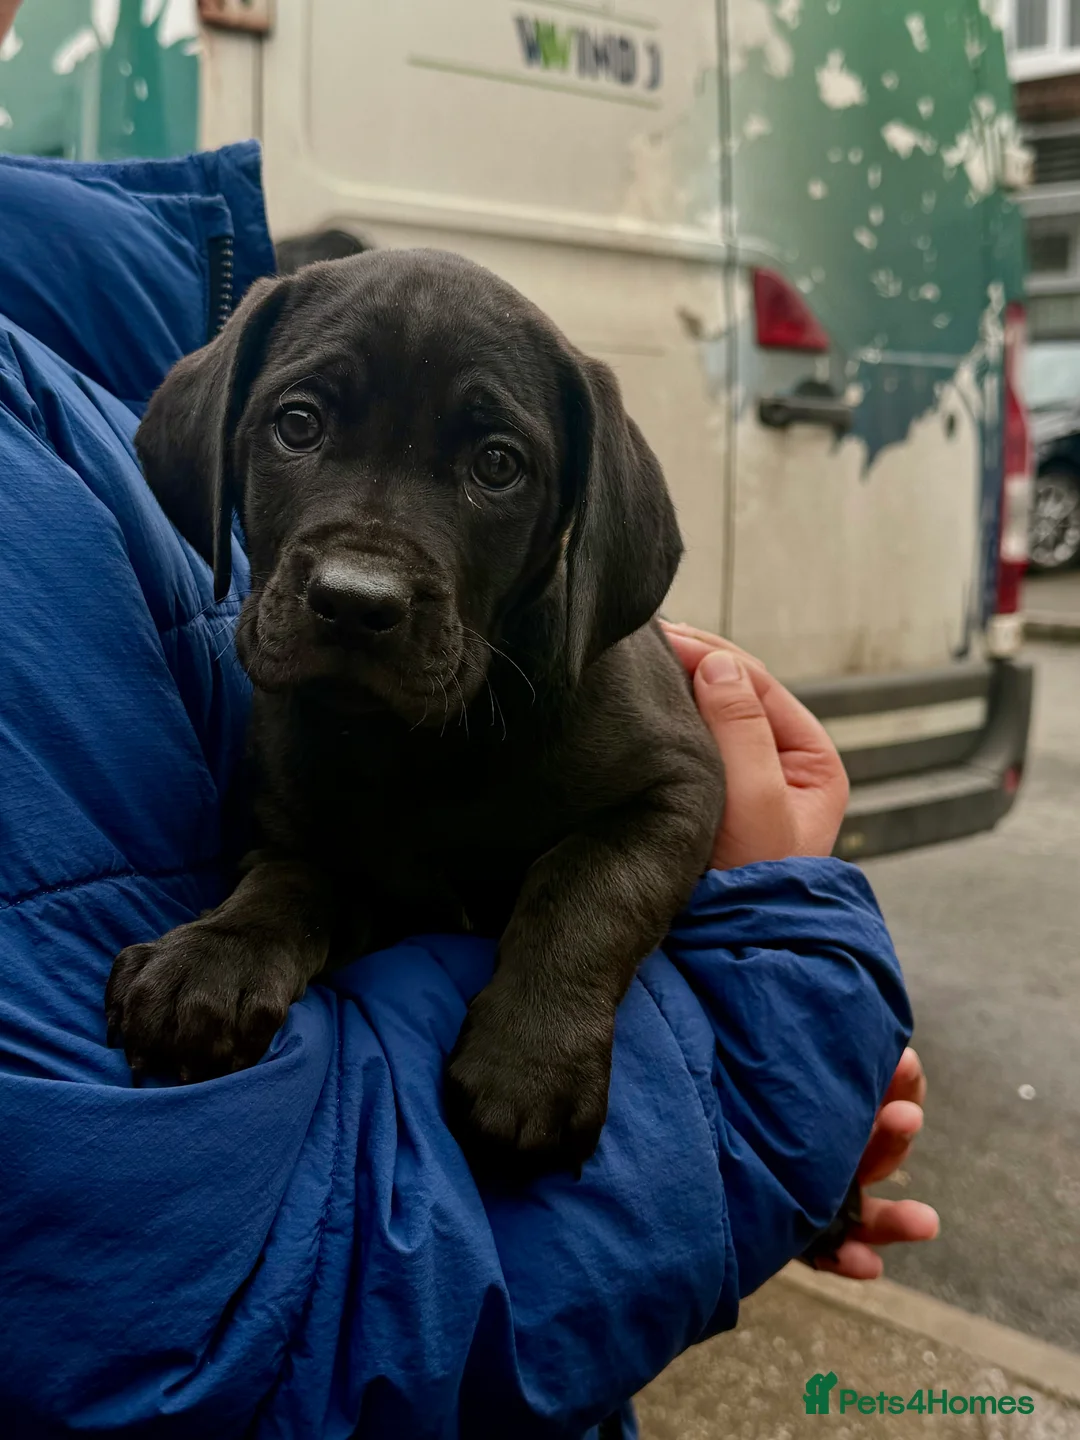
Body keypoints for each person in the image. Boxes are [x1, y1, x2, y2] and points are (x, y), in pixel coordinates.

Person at [0, 5, 935, 1434]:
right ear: (221, 445)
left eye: (491, 465)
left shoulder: (583, 699)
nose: (367, 565)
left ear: (574, 531)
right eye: (303, 428)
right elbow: (318, 861)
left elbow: (671, 796)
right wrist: (758, 1078)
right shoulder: (212, 585)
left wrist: (586, 995)